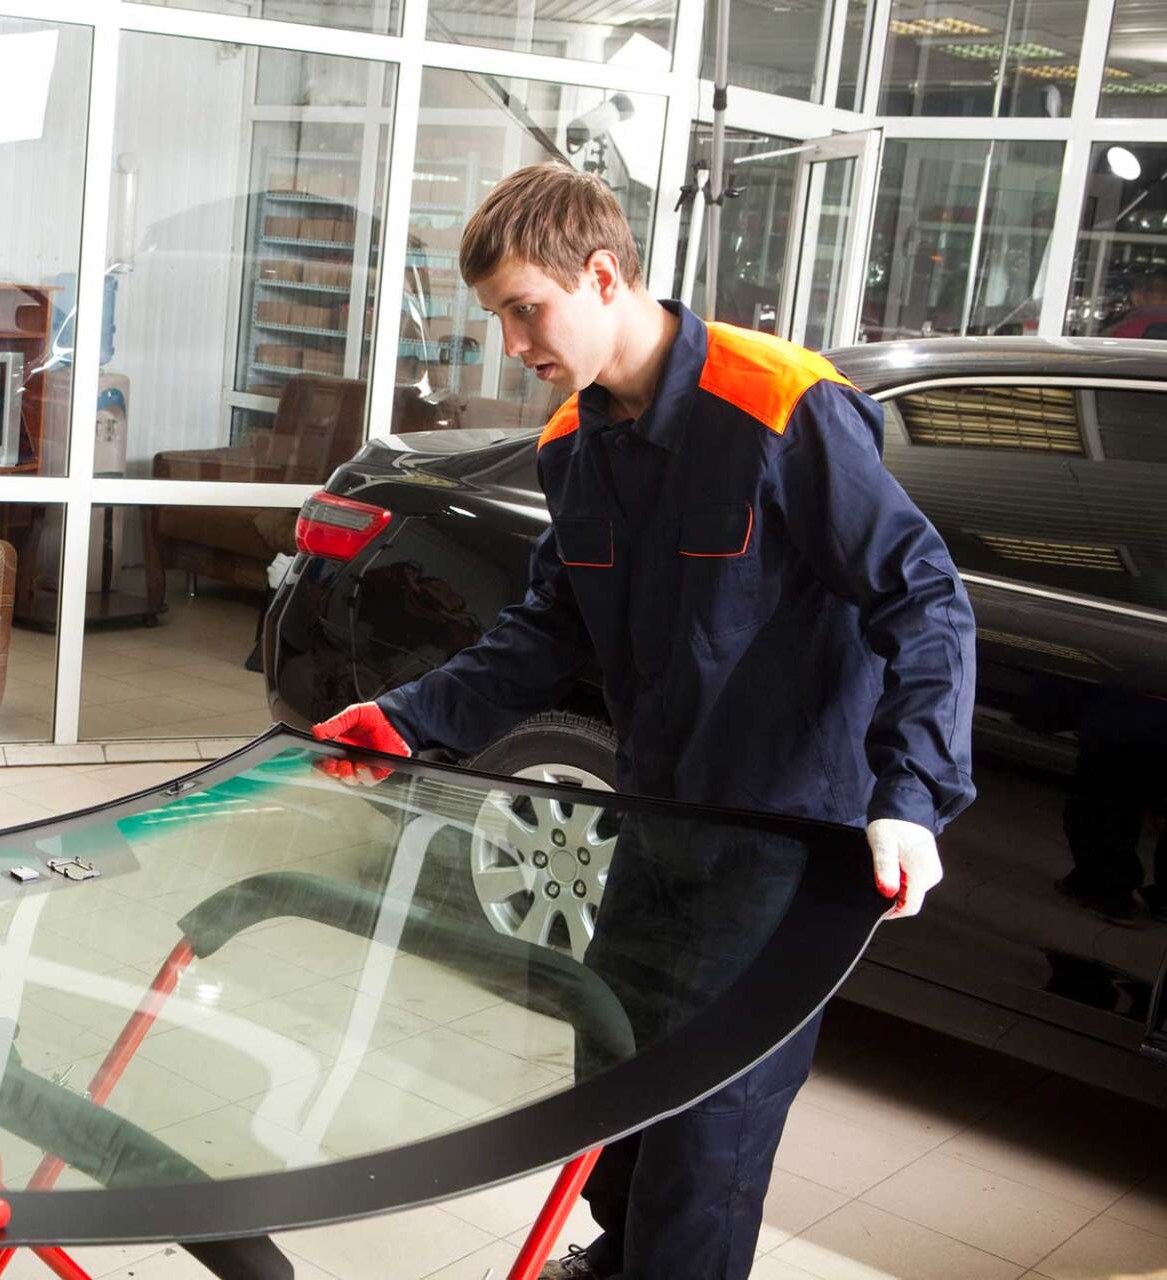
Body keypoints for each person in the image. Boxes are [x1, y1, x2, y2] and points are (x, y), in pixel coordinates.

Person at [314, 163, 976, 1280]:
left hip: (784, 838)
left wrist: (912, 798)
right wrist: (406, 717)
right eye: (499, 318)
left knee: (708, 1125)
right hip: (658, 816)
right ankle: (617, 1254)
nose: (515, 341)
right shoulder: (578, 441)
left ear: (605, 275)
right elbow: (549, 626)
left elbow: (925, 597)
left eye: (528, 308)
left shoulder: (779, 406)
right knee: (611, 1068)